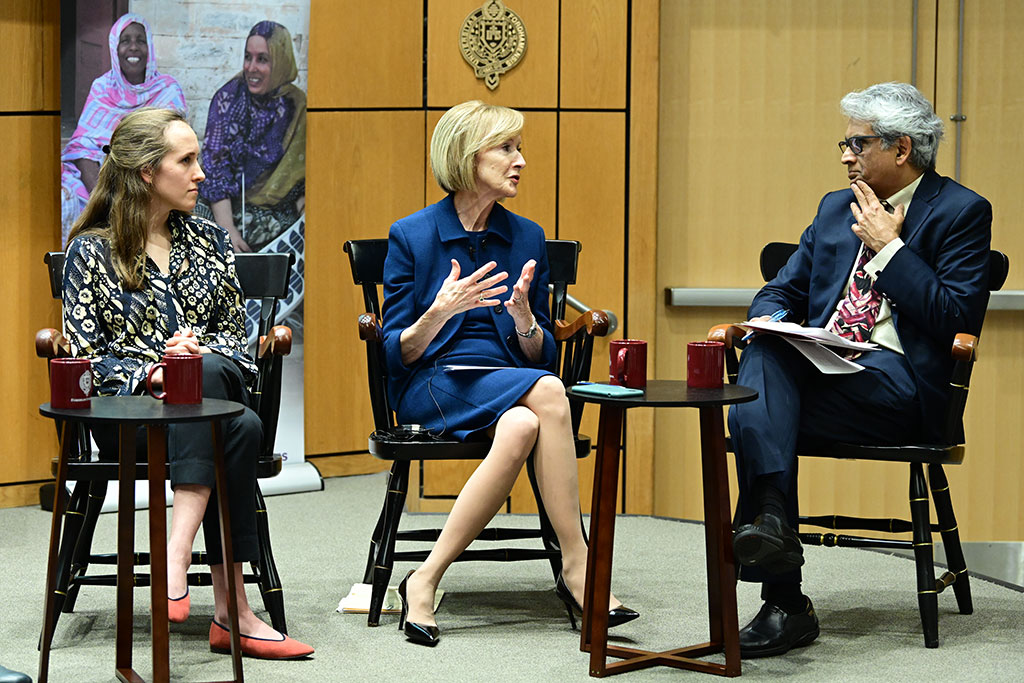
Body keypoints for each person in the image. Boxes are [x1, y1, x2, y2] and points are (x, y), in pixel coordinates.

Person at [727, 82, 992, 658]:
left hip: (901, 391)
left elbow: (953, 319)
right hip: (828, 372)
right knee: (766, 355)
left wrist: (891, 251)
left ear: (901, 149)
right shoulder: (831, 208)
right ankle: (775, 535)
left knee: (759, 404)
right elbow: (779, 290)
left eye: (856, 142)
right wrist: (774, 322)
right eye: (844, 143)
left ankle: (782, 593)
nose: (845, 155)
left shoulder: (961, 212)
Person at [382, 100, 639, 647]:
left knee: (525, 423)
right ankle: (579, 565)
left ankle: (423, 578)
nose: (520, 160)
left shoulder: (526, 236)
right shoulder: (412, 236)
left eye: (518, 148)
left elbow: (539, 354)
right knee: (548, 392)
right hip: (433, 382)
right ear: (467, 157)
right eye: (506, 148)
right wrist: (439, 312)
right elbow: (395, 353)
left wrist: (526, 321)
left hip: (505, 384)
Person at [62, 108, 313, 660]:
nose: (202, 173)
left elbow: (234, 339)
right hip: (129, 421)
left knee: (210, 379)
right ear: (148, 172)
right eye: (187, 160)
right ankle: (235, 614)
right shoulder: (92, 251)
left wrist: (195, 354)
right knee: (238, 424)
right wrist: (154, 371)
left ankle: (178, 552)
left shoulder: (208, 240)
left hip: (208, 401)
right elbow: (84, 360)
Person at [60, 13, 186, 246]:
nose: (133, 47)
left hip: (149, 177)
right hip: (102, 179)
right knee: (65, 198)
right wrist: (102, 196)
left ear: (149, 47)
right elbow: (83, 147)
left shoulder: (168, 89)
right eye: (125, 40)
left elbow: (172, 148)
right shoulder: (102, 88)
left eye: (140, 40)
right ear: (114, 48)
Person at [196, 20, 306, 254]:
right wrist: (228, 230)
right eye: (248, 57)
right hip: (227, 207)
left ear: (281, 62)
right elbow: (216, 172)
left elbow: (300, 178)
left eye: (262, 59)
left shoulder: (296, 105)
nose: (251, 67)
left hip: (277, 208)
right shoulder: (228, 100)